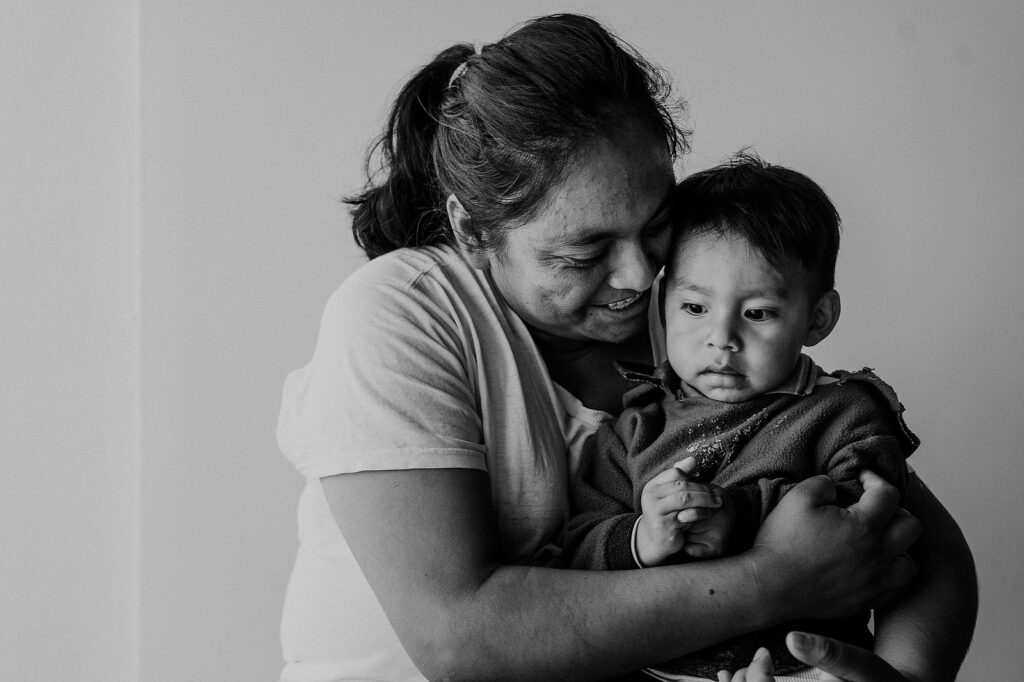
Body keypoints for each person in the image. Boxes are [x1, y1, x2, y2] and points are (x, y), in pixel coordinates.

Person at [276, 13, 976, 682]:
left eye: (656, 224)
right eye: (585, 252)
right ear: (471, 230)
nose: (641, 277)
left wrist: (894, 673)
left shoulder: (696, 314)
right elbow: (461, 639)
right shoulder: (404, 314)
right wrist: (776, 581)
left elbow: (915, 540)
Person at [565, 155, 931, 680]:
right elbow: (578, 542)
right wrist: (643, 539)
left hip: (808, 665)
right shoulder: (637, 425)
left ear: (818, 318)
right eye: (694, 308)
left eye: (757, 313)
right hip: (659, 669)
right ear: (662, 302)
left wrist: (735, 516)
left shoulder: (844, 411)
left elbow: (870, 520)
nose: (721, 338)